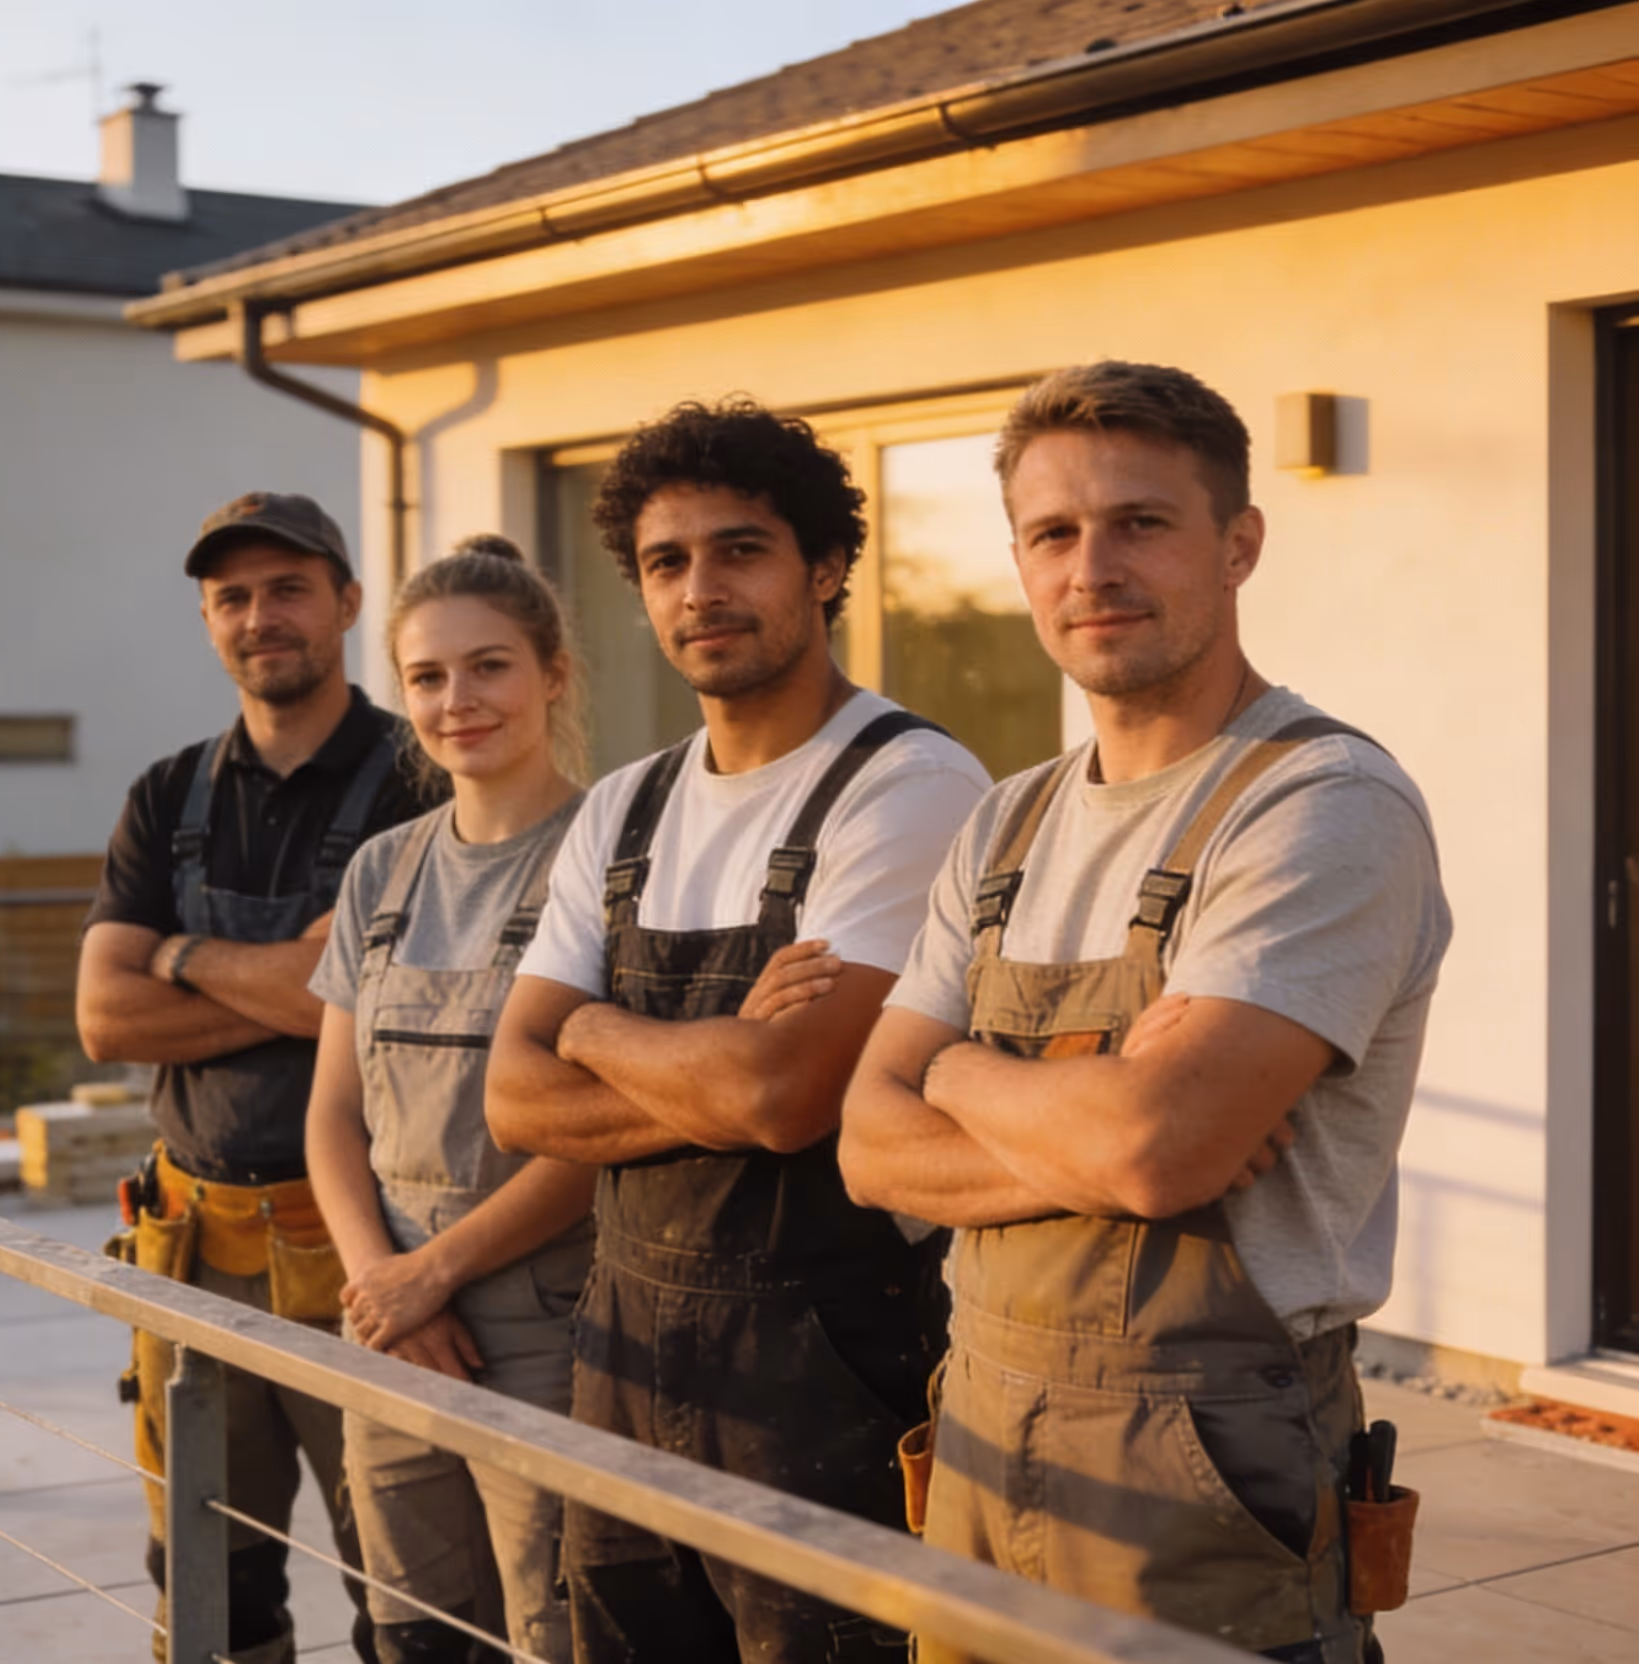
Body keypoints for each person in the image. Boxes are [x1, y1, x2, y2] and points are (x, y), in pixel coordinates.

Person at [842, 361, 1451, 1664]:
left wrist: (950, 1068)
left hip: (1207, 1454)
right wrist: (1089, 1113)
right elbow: (864, 1144)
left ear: (1239, 545)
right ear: (1018, 561)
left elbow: (1153, 1148)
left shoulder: (1318, 805)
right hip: (979, 1426)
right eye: (1053, 534)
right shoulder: (1006, 819)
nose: (1091, 567)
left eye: (1141, 523)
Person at [484, 399, 991, 1662]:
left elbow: (784, 1100)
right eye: (666, 562)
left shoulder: (908, 784)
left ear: (822, 568)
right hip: (618, 1354)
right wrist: (707, 1049)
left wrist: (590, 1026)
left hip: (827, 1364)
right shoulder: (622, 806)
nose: (698, 589)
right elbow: (509, 1097)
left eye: (739, 549)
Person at [76, 490, 442, 1664]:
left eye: (287, 587)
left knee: (410, 1583)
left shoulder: (418, 777)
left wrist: (178, 955)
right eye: (230, 596)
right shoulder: (164, 792)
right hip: (189, 1243)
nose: (259, 615)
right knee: (207, 1581)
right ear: (207, 621)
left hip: (364, 1246)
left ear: (344, 601)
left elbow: (341, 1003)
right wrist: (278, 973)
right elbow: (102, 1014)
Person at [306, 535, 596, 1664]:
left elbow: (599, 1134)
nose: (456, 700)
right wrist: (383, 1280)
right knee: (413, 1632)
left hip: (542, 1325)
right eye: (426, 677)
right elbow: (332, 1111)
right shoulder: (382, 868)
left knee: (553, 1628)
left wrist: (440, 1269)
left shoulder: (603, 855)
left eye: (489, 667)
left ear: (552, 674)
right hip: (387, 1321)